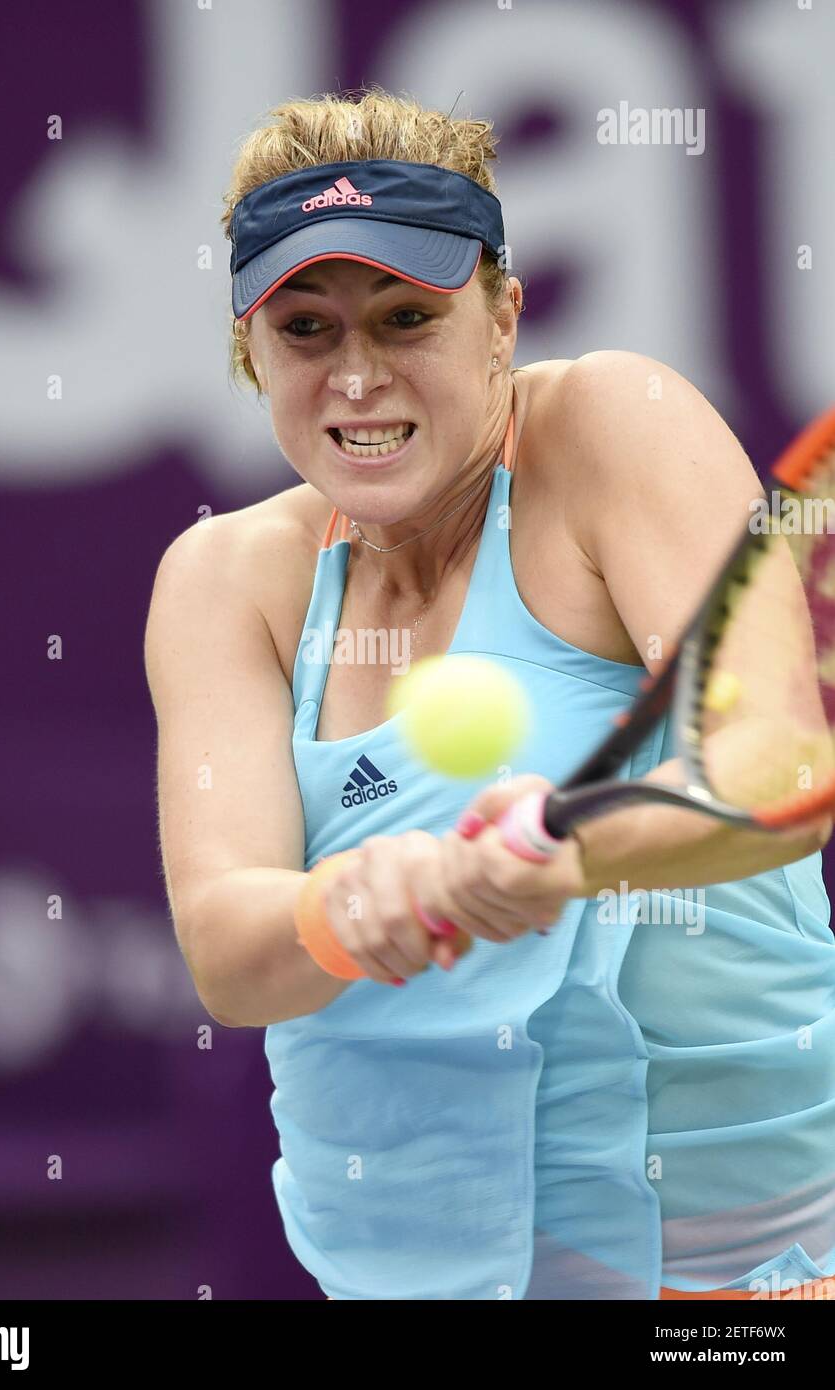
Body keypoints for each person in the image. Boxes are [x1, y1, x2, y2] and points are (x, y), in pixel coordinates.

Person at [144, 89, 835, 1300]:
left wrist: (563, 847)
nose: (357, 377)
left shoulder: (614, 424)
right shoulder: (222, 581)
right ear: (251, 354)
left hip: (750, 1276)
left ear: (504, 318)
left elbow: (779, 764)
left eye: (409, 316)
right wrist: (351, 903)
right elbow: (226, 953)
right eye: (306, 330)